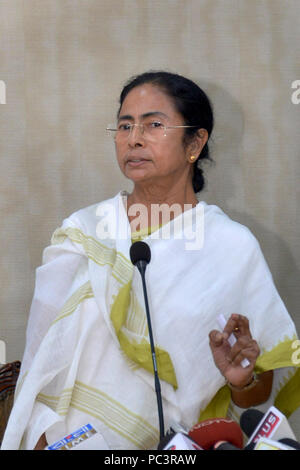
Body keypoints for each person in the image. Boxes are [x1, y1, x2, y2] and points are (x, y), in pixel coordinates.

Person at [2, 71, 299, 450]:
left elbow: (257, 400)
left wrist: (241, 382)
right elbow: (40, 363)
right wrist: (45, 439)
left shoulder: (232, 248)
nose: (134, 138)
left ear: (195, 142)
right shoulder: (84, 231)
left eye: (153, 124)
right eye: (125, 126)